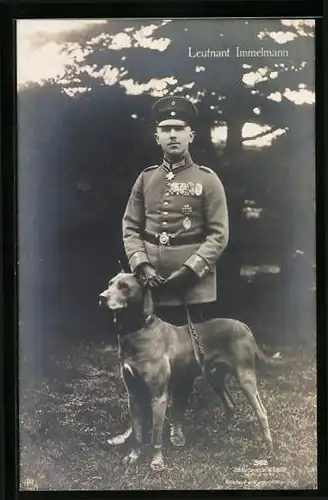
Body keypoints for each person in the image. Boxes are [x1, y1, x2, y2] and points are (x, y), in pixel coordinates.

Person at [122, 95, 229, 324]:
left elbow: (219, 235)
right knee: (155, 353)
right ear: (157, 137)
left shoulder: (208, 180)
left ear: (191, 135)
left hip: (193, 287)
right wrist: (141, 265)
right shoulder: (146, 178)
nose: (172, 135)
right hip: (152, 283)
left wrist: (190, 270)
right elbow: (130, 227)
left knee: (194, 353)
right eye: (166, 129)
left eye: (179, 129)